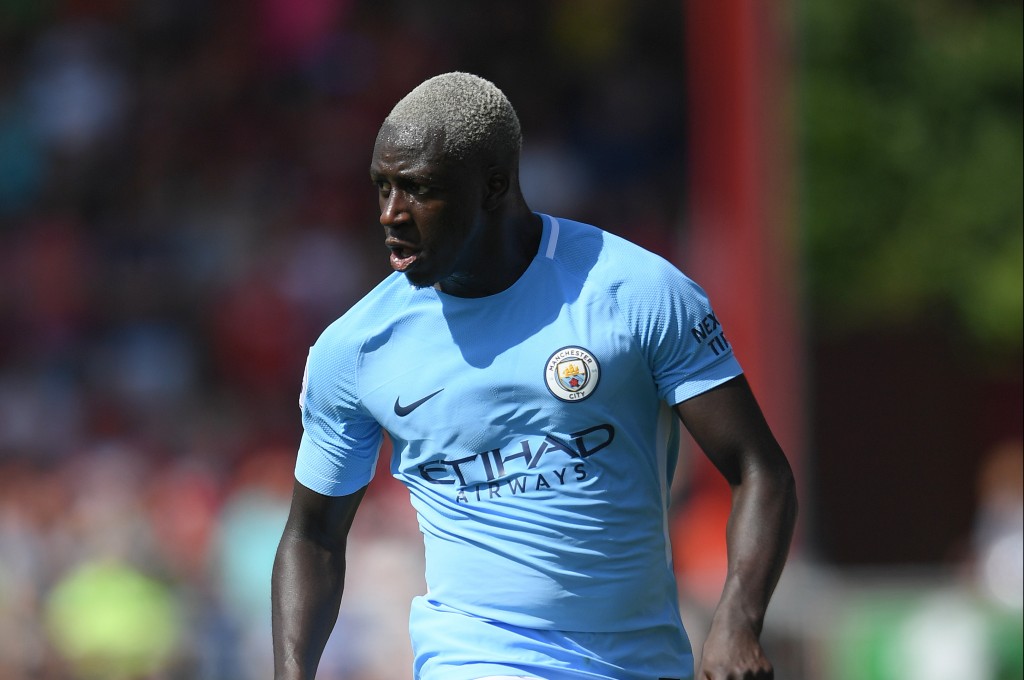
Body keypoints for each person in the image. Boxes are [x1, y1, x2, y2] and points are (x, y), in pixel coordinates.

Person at [272, 72, 797, 680]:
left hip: (640, 661)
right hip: (473, 656)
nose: (391, 214)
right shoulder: (356, 348)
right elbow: (311, 534)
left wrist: (737, 619)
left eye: (417, 190)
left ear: (494, 187)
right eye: (382, 187)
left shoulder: (637, 294)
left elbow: (760, 469)